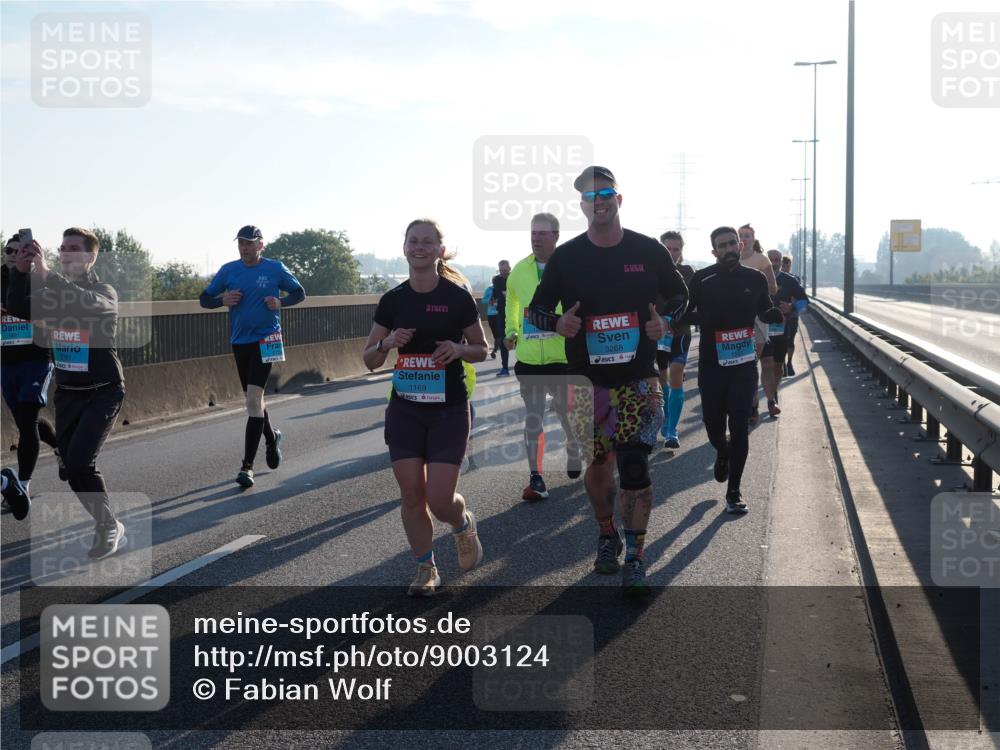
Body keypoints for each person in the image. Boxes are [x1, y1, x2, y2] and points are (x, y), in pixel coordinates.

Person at [528, 166, 688, 593]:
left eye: (605, 193)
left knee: (634, 466)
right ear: (582, 206)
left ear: (619, 199)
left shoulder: (648, 249)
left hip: (637, 378)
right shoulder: (568, 257)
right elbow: (536, 311)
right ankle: (606, 533)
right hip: (586, 382)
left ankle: (636, 555)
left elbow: (679, 294)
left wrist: (666, 321)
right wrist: (557, 322)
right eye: (589, 196)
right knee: (599, 470)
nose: (598, 201)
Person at [363, 218, 487, 596]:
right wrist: (387, 345)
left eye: (427, 241)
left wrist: (459, 349)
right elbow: (369, 359)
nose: (419, 246)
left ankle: (462, 522)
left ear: (439, 250)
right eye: (413, 241)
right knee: (413, 493)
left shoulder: (457, 297)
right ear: (404, 248)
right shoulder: (393, 300)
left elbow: (484, 349)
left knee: (439, 498)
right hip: (405, 409)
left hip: (449, 409)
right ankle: (425, 569)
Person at [6, 228, 128, 559]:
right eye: (62, 249)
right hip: (69, 393)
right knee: (74, 470)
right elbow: (18, 306)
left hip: (103, 391)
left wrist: (45, 274)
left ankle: (108, 527)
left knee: (79, 462)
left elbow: (84, 303)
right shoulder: (52, 293)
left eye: (74, 249)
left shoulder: (104, 291)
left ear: (91, 257)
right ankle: (107, 521)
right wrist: (21, 269)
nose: (66, 253)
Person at [682, 227, 783, 514]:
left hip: (743, 365)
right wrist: (703, 317)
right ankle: (722, 452)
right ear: (714, 252)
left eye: (731, 244)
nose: (727, 249)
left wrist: (771, 314)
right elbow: (686, 313)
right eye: (721, 246)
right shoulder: (703, 279)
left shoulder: (755, 278)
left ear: (739, 246)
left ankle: (734, 492)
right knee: (714, 425)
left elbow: (763, 308)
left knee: (739, 426)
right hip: (712, 365)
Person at [200, 226, 305, 488]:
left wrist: (280, 302)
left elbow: (299, 293)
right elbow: (204, 299)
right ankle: (272, 439)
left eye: (249, 243)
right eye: (241, 243)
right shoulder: (228, 270)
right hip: (240, 341)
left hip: (267, 339)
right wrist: (222, 300)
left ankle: (247, 467)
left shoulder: (275, 268)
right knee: (254, 401)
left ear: (261, 245)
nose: (244, 247)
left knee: (252, 399)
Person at [503, 213, 583, 502]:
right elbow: (512, 301)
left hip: (562, 356)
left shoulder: (570, 267)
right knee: (533, 417)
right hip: (529, 359)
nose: (536, 238)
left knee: (566, 412)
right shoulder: (520, 271)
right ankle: (536, 478)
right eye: (533, 233)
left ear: (556, 236)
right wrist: (511, 329)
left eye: (543, 233)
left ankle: (573, 443)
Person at [1, 234, 59, 519]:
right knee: (27, 422)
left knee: (27, 419)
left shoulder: (42, 279)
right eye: (9, 250)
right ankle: (59, 445)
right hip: (7, 361)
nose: (14, 254)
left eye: (20, 250)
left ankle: (21, 485)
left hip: (36, 358)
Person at [656, 231, 695, 449]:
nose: (672, 253)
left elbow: (694, 302)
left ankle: (672, 431)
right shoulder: (649, 271)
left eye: (676, 249)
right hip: (656, 333)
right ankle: (667, 416)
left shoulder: (688, 272)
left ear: (682, 250)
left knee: (677, 372)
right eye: (667, 248)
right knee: (662, 378)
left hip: (680, 331)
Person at [737, 224, 778, 427]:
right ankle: (752, 405)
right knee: (748, 364)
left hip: (758, 317)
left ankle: (769, 401)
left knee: (761, 362)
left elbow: (773, 287)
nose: (745, 238)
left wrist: (751, 288)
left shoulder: (761, 260)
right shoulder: (729, 257)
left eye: (748, 235)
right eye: (741, 235)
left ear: (753, 239)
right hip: (734, 319)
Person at [764, 250, 808, 405]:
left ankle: (774, 391)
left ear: (781, 262)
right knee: (766, 364)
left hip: (781, 330)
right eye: (771, 260)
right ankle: (766, 401)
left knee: (777, 366)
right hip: (760, 330)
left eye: (777, 260)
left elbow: (804, 301)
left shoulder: (789, 281)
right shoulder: (756, 278)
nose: (774, 263)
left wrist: (792, 306)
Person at [780, 255, 802, 376]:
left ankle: (789, 362)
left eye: (787, 265)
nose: (785, 267)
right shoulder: (775, 278)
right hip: (779, 316)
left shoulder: (795, 279)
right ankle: (782, 363)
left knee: (790, 340)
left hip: (792, 315)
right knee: (780, 340)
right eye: (784, 265)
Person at [491, 260, 511, 376]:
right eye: (501, 270)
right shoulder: (497, 280)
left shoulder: (514, 278)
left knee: (521, 340)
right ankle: (505, 368)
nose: (503, 272)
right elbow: (495, 293)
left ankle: (526, 366)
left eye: (505, 270)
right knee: (503, 341)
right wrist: (493, 300)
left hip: (515, 313)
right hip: (501, 314)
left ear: (509, 268)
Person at [481, 284, 499, 359]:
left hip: (501, 314)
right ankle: (495, 349)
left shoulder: (503, 288)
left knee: (500, 334)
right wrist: (490, 300)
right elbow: (483, 301)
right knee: (496, 334)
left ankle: (495, 350)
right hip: (491, 315)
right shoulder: (489, 289)